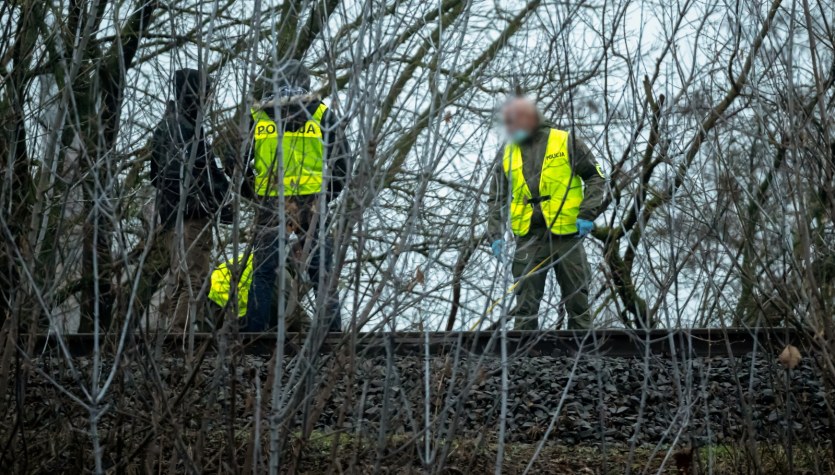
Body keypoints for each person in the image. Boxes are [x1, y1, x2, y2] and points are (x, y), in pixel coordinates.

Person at [230, 59, 350, 332]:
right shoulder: (322, 114)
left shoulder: (257, 116)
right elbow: (342, 163)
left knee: (263, 271)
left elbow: (232, 161)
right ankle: (331, 335)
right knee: (321, 273)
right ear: (305, 82)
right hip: (313, 202)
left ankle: (254, 336)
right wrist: (326, 194)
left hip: (271, 203)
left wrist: (252, 192)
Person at [487, 97, 606, 330]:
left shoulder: (564, 141)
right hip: (529, 235)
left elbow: (595, 176)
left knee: (578, 299)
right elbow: (497, 197)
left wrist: (587, 214)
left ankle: (582, 348)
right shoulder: (508, 153)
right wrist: (495, 234)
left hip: (566, 232)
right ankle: (523, 350)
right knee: (525, 303)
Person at [150, 68, 229, 332]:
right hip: (191, 217)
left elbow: (156, 176)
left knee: (180, 279)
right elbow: (197, 174)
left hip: (171, 217)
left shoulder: (167, 126)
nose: (209, 101)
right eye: (206, 94)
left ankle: (172, 333)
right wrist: (211, 200)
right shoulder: (186, 130)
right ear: (196, 95)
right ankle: (179, 335)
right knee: (195, 279)